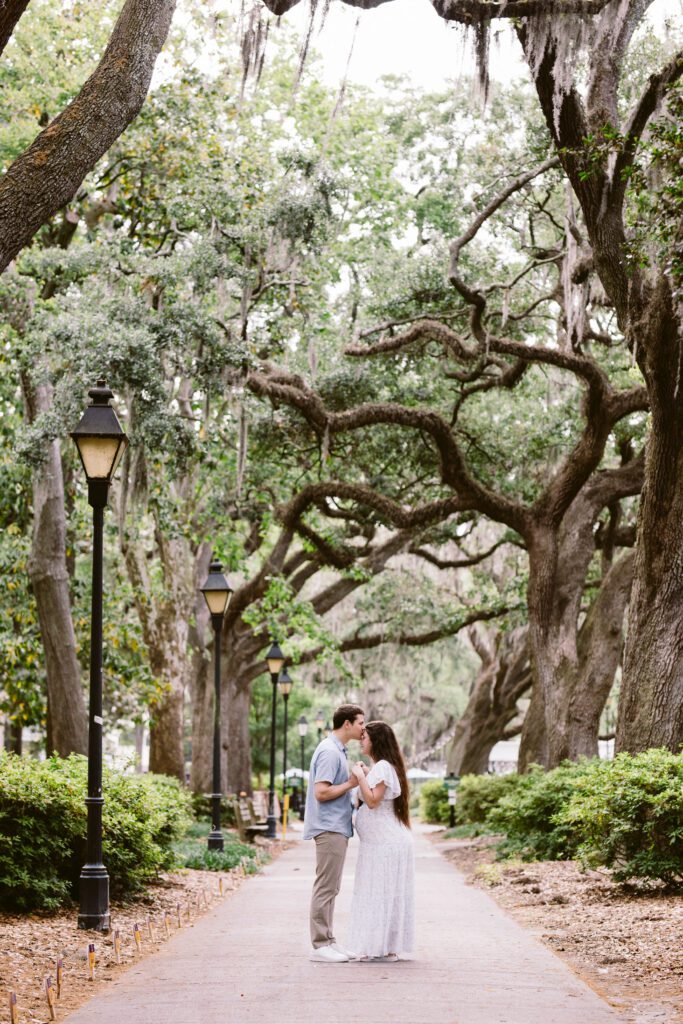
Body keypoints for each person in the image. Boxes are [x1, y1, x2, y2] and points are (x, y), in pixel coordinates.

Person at [348, 720, 415, 962]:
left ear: (376, 740)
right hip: (378, 843)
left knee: (381, 893)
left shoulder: (384, 766)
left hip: (385, 843)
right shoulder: (381, 767)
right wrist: (366, 774)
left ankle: (383, 948)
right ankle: (381, 946)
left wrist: (359, 776)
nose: (361, 740)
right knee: (379, 892)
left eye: (364, 736)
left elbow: (374, 800)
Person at [303, 703, 365, 963]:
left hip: (337, 826)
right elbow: (322, 792)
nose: (364, 728)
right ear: (347, 723)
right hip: (328, 826)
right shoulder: (329, 751)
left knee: (333, 886)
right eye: (361, 722)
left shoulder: (338, 750)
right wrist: (352, 783)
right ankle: (319, 945)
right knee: (325, 886)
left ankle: (329, 940)